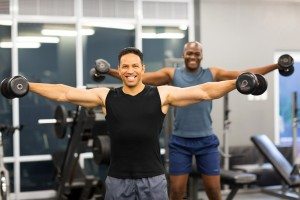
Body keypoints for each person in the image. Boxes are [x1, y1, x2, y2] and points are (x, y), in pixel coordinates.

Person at [14, 47, 240, 200]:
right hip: (117, 180)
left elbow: (203, 91)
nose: (130, 71)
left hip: (153, 180)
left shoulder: (162, 95)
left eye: (134, 66)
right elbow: (64, 93)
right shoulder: (106, 96)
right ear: (119, 70)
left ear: (143, 69)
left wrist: (238, 82)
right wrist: (28, 86)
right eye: (125, 66)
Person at [106, 42, 280, 200]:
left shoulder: (212, 73)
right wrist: (110, 71)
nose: (193, 57)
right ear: (183, 55)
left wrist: (277, 65)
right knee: (176, 192)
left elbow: (243, 75)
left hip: (206, 140)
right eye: (189, 53)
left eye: (197, 54)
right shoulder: (172, 73)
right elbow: (143, 77)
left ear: (201, 56)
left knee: (213, 191)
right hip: (180, 141)